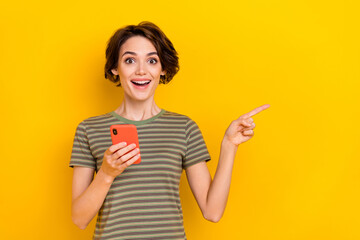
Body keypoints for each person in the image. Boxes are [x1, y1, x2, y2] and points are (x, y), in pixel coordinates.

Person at [69, 21, 270, 240]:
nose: (141, 71)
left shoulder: (183, 128)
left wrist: (229, 145)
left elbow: (212, 212)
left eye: (152, 60)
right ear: (115, 68)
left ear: (162, 68)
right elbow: (79, 219)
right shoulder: (89, 129)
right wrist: (107, 174)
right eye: (129, 60)